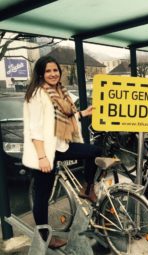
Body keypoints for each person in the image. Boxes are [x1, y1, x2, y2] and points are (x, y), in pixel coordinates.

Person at [22, 56, 102, 249]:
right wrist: (42, 157)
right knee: (42, 195)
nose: (52, 74)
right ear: (41, 74)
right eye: (48, 71)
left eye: (55, 70)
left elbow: (65, 115)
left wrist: (83, 113)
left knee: (95, 151)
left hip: (62, 146)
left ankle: (88, 187)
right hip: (45, 152)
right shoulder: (36, 95)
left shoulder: (61, 92)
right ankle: (45, 237)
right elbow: (35, 129)